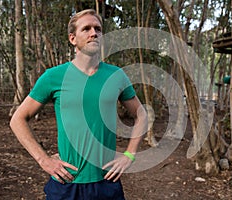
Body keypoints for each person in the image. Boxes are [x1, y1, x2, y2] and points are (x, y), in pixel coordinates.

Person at [10, 9, 147, 200]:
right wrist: (43, 159)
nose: (94, 33)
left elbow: (141, 114)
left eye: (98, 29)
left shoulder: (116, 75)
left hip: (106, 182)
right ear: (73, 38)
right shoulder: (53, 77)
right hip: (67, 182)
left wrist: (129, 155)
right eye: (87, 29)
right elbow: (17, 119)